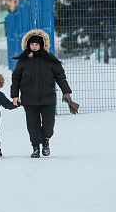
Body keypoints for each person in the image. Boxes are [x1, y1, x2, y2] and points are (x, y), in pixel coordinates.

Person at [11, 29, 76, 158]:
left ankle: (46, 140)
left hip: (48, 98)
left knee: (48, 124)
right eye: (32, 44)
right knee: (32, 125)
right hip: (29, 99)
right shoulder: (23, 60)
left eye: (37, 44)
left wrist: (66, 92)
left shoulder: (50, 59)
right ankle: (35, 148)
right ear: (28, 45)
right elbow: (16, 79)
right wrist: (15, 95)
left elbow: (60, 77)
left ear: (42, 45)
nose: (34, 47)